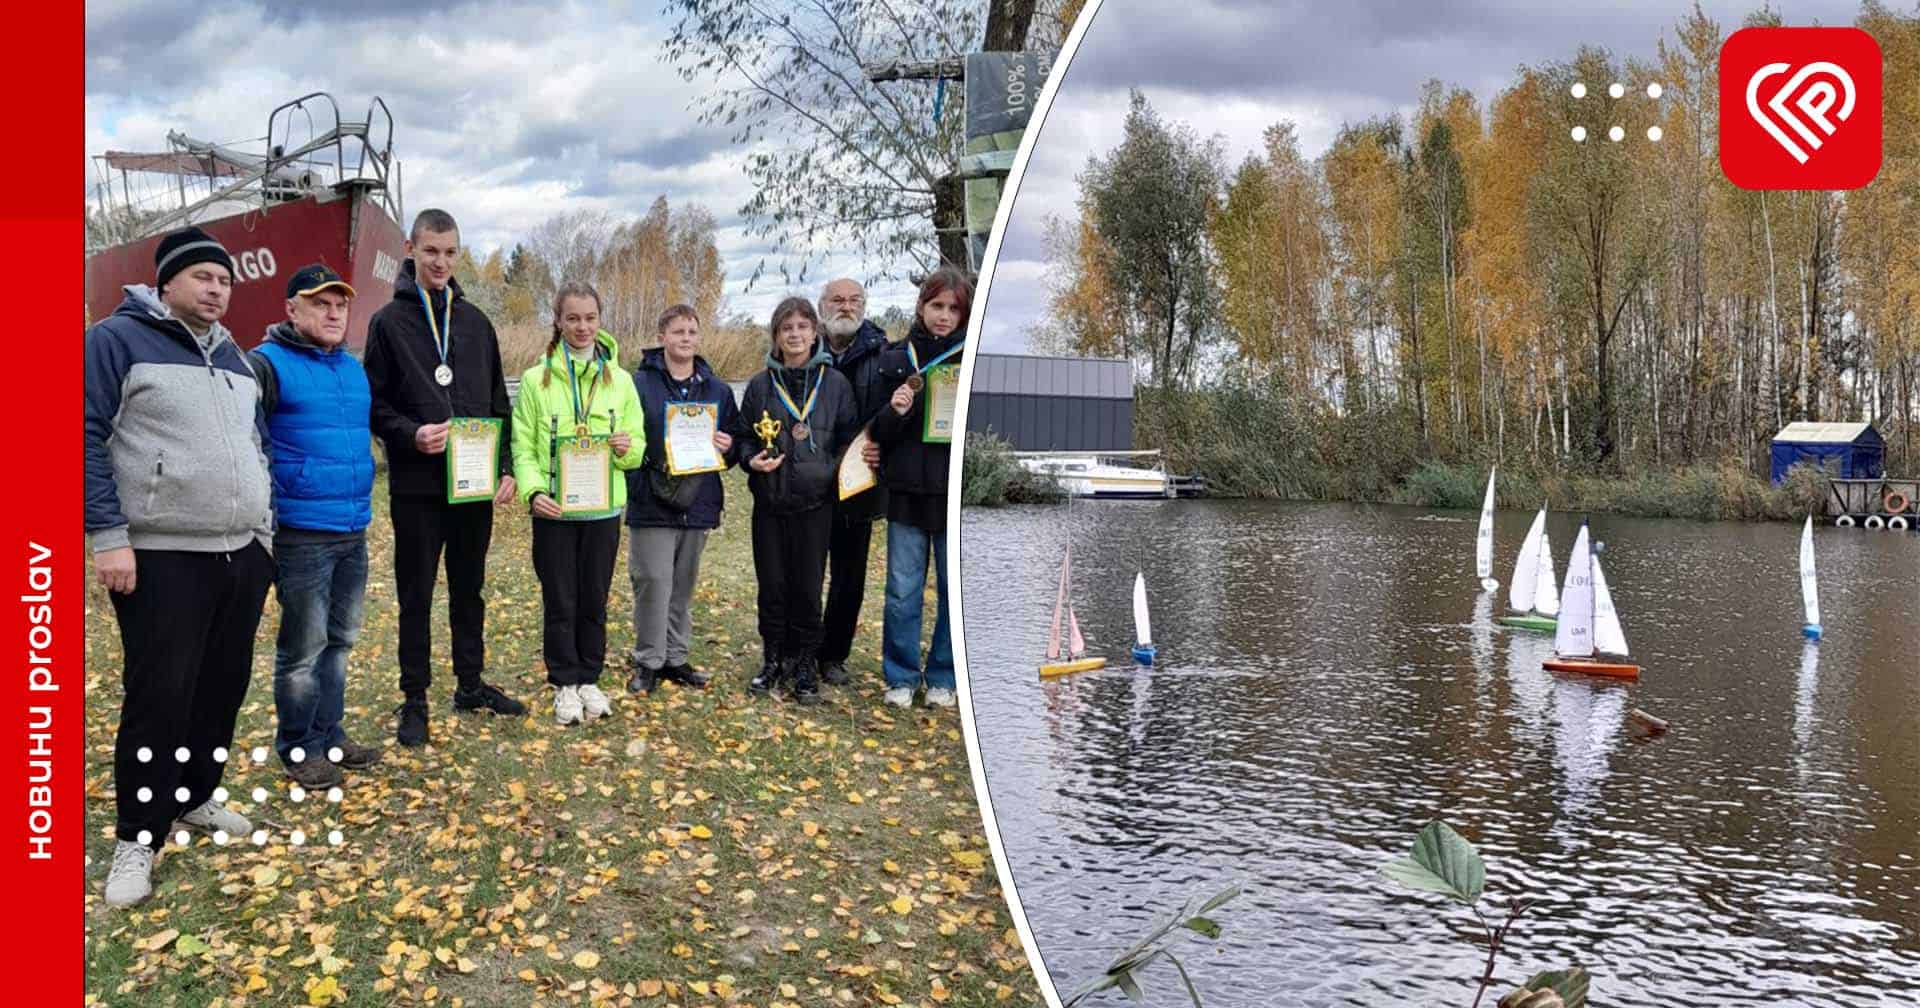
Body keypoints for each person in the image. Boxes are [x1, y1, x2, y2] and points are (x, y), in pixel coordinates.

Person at [84, 227, 275, 907]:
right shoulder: (116, 341)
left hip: (240, 555)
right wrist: (109, 536)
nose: (216, 289)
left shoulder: (239, 360)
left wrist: (265, 537)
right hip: (161, 556)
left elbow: (255, 447)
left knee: (221, 689)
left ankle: (193, 798)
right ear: (166, 283)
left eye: (224, 280)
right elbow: (82, 433)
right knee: (159, 695)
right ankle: (137, 834)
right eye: (202, 277)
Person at [365, 208, 526, 747]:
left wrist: (505, 468)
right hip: (417, 486)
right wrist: (411, 435)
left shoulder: (477, 322)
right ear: (411, 248)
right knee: (416, 594)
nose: (440, 262)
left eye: (450, 252)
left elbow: (499, 403)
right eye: (430, 251)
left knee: (469, 589)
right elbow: (375, 405)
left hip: (473, 487)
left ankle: (471, 684)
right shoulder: (388, 323)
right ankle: (414, 697)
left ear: (459, 255)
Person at [248, 264, 382, 788]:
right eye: (320, 303)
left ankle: (330, 734)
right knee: (302, 649)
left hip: (353, 527)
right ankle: (298, 746)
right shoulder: (266, 365)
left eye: (340, 305)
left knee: (340, 641)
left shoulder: (351, 368)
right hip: (302, 532)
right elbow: (249, 442)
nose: (333, 313)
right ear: (292, 309)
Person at [509, 282, 645, 725]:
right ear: (558, 320)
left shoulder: (621, 380)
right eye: (573, 318)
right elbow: (523, 445)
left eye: (590, 318)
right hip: (556, 510)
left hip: (603, 509)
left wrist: (625, 446)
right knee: (560, 598)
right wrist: (533, 491)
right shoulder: (535, 379)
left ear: (600, 320)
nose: (582, 327)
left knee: (594, 598)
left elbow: (638, 447)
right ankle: (564, 682)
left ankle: (590, 676)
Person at [735, 298, 858, 704]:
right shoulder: (758, 386)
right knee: (771, 586)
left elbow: (848, 441)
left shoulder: (835, 384)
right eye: (786, 328)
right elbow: (744, 438)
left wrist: (826, 473)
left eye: (803, 326)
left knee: (807, 588)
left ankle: (804, 663)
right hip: (770, 502)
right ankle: (772, 660)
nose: (795, 334)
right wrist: (750, 459)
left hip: (815, 504)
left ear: (815, 333)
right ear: (776, 336)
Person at [870, 267, 972, 708]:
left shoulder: (971, 360)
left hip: (951, 496)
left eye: (954, 308)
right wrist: (896, 411)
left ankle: (945, 678)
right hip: (907, 493)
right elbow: (875, 432)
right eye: (936, 306)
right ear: (921, 307)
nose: (944, 316)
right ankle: (901, 677)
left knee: (953, 592)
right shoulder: (895, 358)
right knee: (902, 590)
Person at [625, 304, 740, 695]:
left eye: (692, 331)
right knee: (653, 580)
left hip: (699, 499)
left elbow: (736, 444)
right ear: (662, 337)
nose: (685, 338)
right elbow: (627, 436)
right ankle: (648, 660)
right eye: (677, 331)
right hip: (651, 497)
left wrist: (729, 444)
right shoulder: (638, 384)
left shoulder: (718, 390)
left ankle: (675, 657)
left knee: (682, 584)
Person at [814, 279, 892, 686]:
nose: (846, 307)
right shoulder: (803, 347)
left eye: (854, 300)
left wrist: (885, 449)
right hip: (810, 479)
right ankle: (802, 649)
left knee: (849, 575)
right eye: (837, 300)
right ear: (821, 305)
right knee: (806, 570)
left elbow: (898, 415)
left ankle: (834, 656)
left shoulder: (885, 353)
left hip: (859, 480)